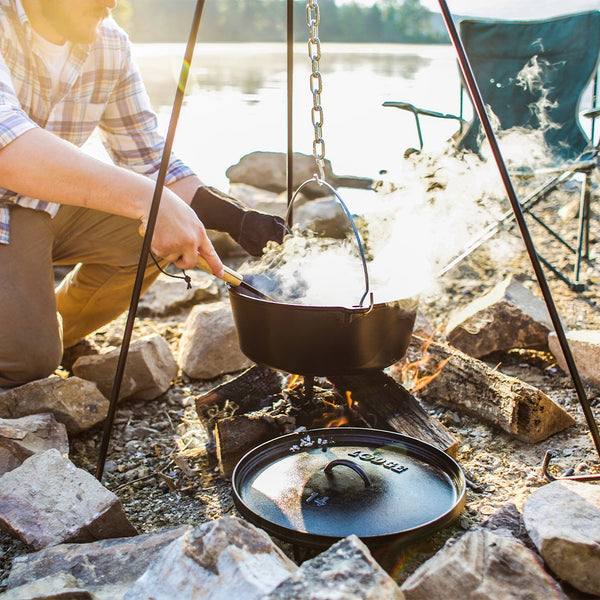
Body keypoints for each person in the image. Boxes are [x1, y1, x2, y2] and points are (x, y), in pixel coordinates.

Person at [0, 0, 285, 388]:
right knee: (26, 360)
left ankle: (52, 329)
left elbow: (148, 158)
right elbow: (9, 151)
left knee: (157, 237)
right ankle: (25, 340)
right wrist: (151, 202)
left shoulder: (108, 42)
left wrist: (236, 218)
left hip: (35, 206)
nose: (111, 2)